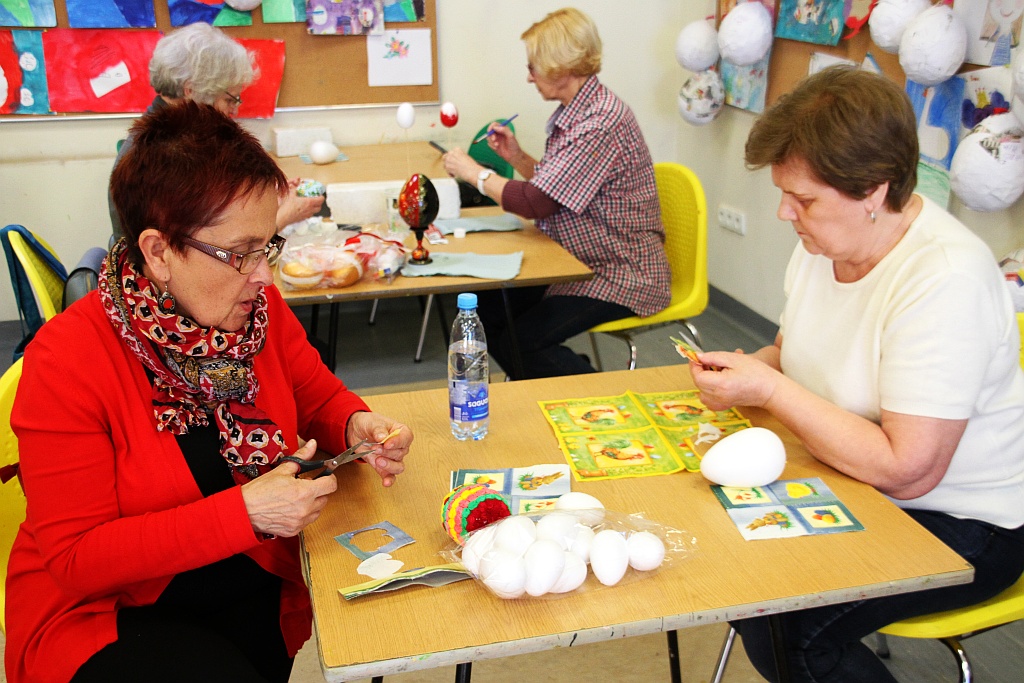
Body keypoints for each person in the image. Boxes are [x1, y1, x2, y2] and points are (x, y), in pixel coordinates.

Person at [6, 102, 413, 683]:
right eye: (239, 253)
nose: (264, 275)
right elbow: (76, 560)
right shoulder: (66, 361)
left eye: (267, 246)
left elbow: (316, 395)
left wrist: (356, 426)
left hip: (240, 579)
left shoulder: (255, 310)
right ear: (158, 252)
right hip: (108, 613)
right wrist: (244, 512)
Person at [689, 66, 1024, 682]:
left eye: (805, 198)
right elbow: (794, 351)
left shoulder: (945, 277)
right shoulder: (826, 245)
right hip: (851, 474)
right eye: (784, 194)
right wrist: (740, 373)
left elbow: (908, 470)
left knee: (790, 626)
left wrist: (767, 388)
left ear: (874, 189)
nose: (786, 214)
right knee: (731, 562)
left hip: (962, 521)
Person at [442, 7, 670, 380]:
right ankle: (550, 380)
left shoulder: (600, 123)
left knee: (523, 341)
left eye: (533, 66)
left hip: (620, 273)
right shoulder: (578, 113)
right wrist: (515, 157)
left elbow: (536, 202)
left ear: (560, 66)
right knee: (488, 317)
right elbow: (556, 188)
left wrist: (473, 172)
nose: (529, 77)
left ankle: (592, 397)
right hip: (579, 261)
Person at [108, 22, 322, 240]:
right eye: (229, 99)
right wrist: (281, 218)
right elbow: (203, 252)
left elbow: (216, 210)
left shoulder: (184, 135)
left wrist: (264, 199)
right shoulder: (162, 155)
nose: (234, 109)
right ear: (190, 90)